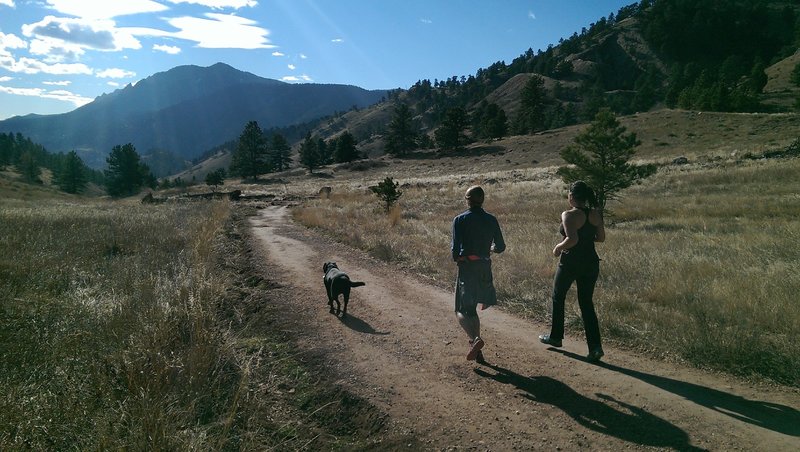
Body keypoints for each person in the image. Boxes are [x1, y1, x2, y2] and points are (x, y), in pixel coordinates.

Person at [539, 180, 606, 362]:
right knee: (586, 303)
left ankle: (556, 337)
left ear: (571, 196)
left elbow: (572, 239)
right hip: (591, 262)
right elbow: (601, 238)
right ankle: (595, 348)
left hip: (570, 262)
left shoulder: (568, 215)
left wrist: (558, 247)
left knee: (558, 296)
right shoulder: (595, 214)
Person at [451, 185, 506, 363]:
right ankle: (477, 351)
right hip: (485, 267)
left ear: (467, 199)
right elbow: (500, 246)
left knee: (461, 310)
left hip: (468, 268)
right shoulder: (491, 219)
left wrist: (460, 258)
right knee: (472, 310)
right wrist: (489, 249)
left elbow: (455, 252)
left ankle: (475, 340)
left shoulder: (459, 219)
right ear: (482, 200)